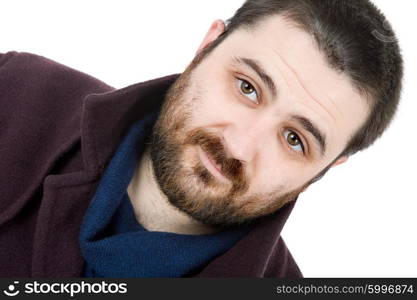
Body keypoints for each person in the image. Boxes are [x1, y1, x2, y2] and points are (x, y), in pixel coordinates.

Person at [0, 0, 403, 277]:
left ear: (328, 168)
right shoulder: (15, 89)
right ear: (207, 46)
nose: (240, 147)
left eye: (294, 139)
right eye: (247, 88)